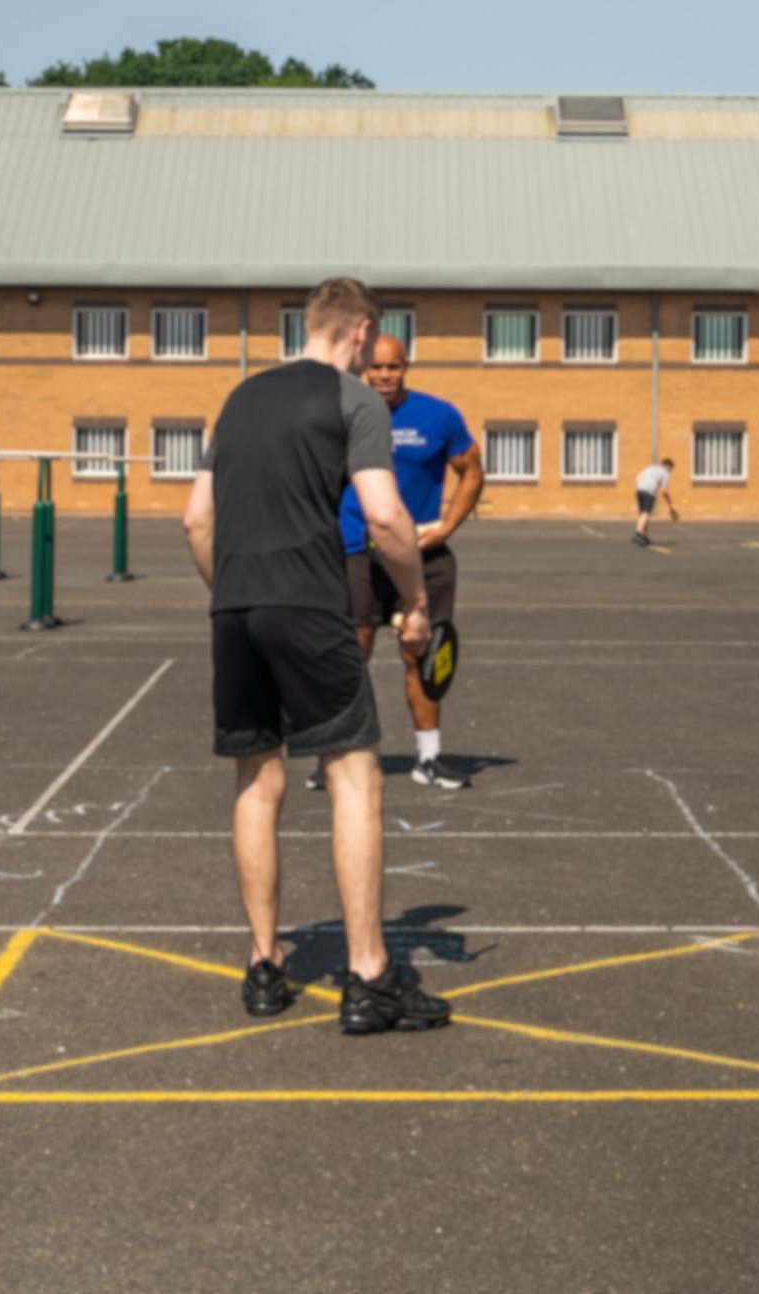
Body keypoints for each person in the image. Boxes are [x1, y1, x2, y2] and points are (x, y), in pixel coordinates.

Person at [183, 277, 451, 1034]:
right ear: (363, 334)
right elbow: (386, 518)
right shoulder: (353, 398)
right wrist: (416, 604)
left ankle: (265, 965)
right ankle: (369, 977)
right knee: (355, 778)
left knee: (256, 779)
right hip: (308, 606)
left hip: (233, 608)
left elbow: (196, 521)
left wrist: (233, 592)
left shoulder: (238, 401)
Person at [314, 330, 485, 791]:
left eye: (393, 367)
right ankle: (334, 757)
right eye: (377, 367)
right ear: (365, 367)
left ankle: (428, 759)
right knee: (353, 655)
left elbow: (471, 469)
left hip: (421, 555)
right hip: (356, 552)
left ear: (405, 366)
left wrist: (447, 526)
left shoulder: (439, 414)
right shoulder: (341, 411)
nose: (385, 375)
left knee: (421, 655)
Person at [632, 456, 675, 546]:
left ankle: (644, 535)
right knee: (646, 513)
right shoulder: (666, 474)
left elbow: (637, 478)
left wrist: (639, 487)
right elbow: (664, 491)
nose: (670, 471)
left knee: (644, 514)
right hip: (649, 492)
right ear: (668, 467)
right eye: (671, 469)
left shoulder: (651, 468)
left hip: (639, 490)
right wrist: (669, 502)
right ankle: (638, 532)